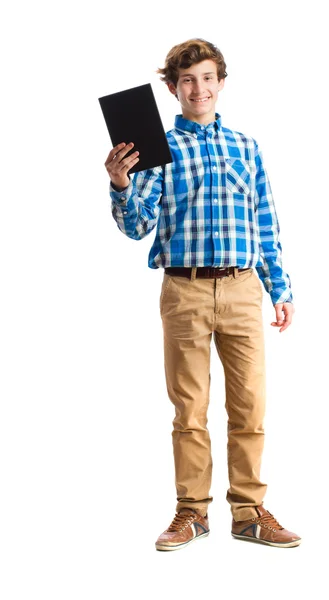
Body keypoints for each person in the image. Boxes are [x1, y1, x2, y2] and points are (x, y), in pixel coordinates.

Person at [104, 38, 301, 551]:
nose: (199, 88)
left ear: (220, 82)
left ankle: (249, 511)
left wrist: (280, 287)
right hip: (184, 290)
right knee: (189, 410)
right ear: (172, 88)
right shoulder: (154, 149)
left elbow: (265, 222)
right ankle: (191, 513)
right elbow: (138, 226)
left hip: (241, 288)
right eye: (187, 80)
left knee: (250, 405)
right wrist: (122, 184)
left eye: (208, 78)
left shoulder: (246, 146)